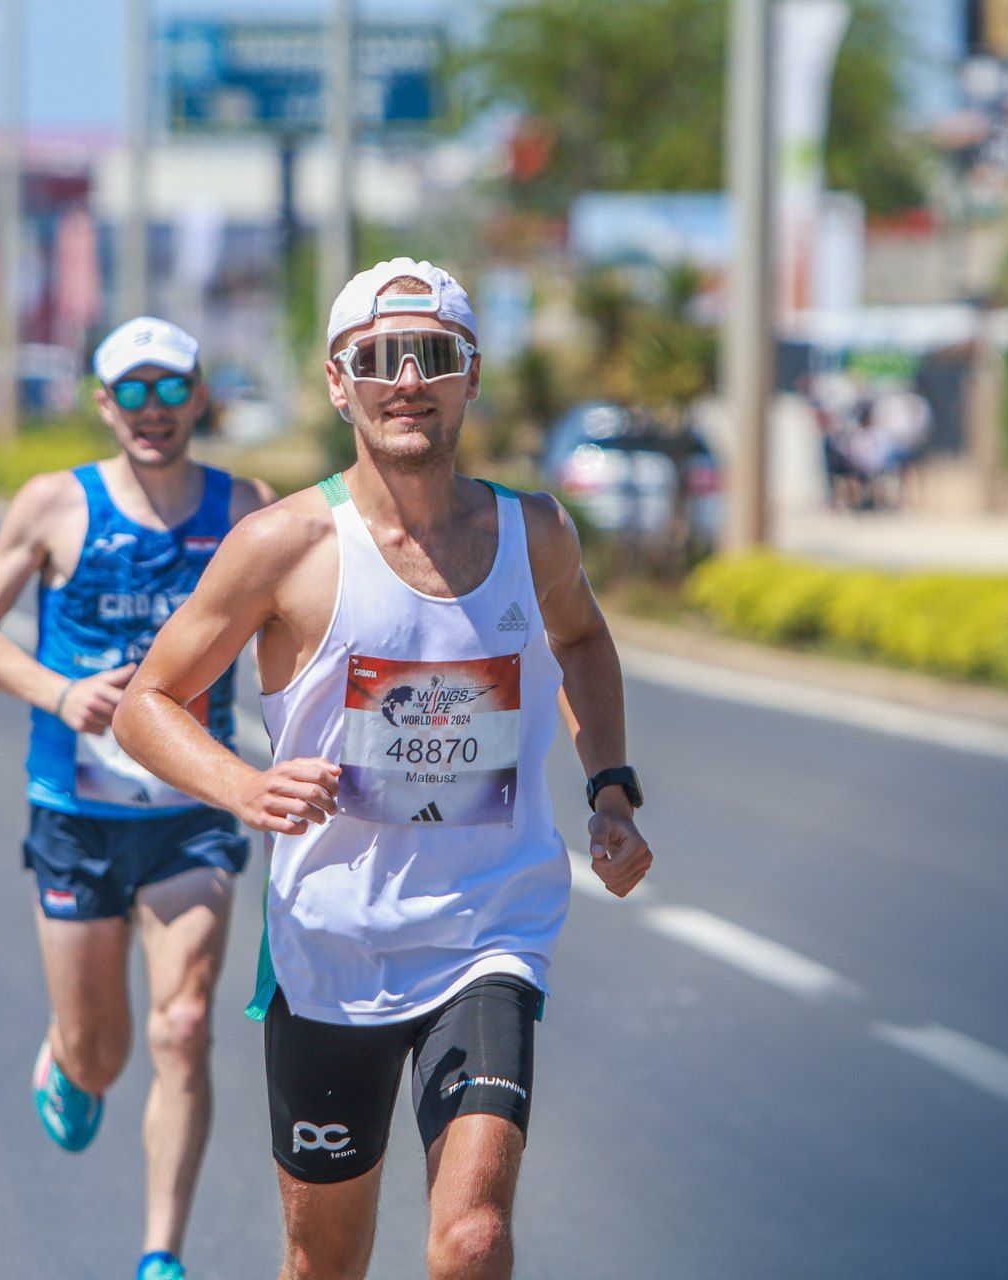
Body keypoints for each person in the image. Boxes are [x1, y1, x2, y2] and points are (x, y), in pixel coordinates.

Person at [113, 259, 655, 1280]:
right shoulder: (284, 544)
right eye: (380, 359)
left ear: (471, 375)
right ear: (338, 382)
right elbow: (147, 702)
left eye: (434, 355)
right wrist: (243, 787)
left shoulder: (534, 532)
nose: (408, 380)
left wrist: (611, 789)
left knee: (473, 1238)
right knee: (325, 1262)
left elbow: (583, 637)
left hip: (487, 932)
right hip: (333, 946)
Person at [0, 316, 273, 1280]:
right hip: (77, 816)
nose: (152, 410)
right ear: (104, 403)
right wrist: (61, 694)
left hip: (190, 814)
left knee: (185, 1024)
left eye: (170, 389)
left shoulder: (246, 509)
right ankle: (69, 1055)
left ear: (199, 396)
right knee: (102, 1055)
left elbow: (301, 632)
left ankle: (160, 1254)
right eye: (133, 391)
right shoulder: (55, 504)